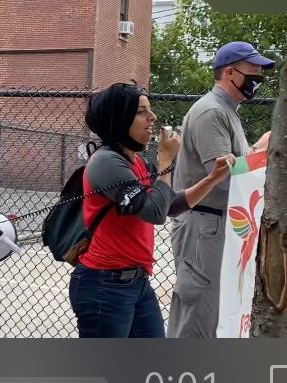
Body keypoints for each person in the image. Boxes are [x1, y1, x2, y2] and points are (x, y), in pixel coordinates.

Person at [70, 83, 234, 338]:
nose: (153, 117)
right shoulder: (106, 161)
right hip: (105, 284)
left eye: (150, 110)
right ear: (120, 119)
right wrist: (166, 160)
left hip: (135, 282)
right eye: (141, 112)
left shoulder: (136, 162)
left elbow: (168, 205)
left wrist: (212, 178)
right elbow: (153, 212)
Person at [167, 41, 274, 338]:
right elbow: (223, 176)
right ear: (230, 73)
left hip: (216, 224)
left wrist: (256, 149)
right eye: (253, 72)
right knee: (198, 317)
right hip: (205, 224)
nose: (258, 80)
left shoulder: (226, 111)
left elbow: (229, 168)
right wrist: (258, 155)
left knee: (215, 314)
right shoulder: (212, 112)